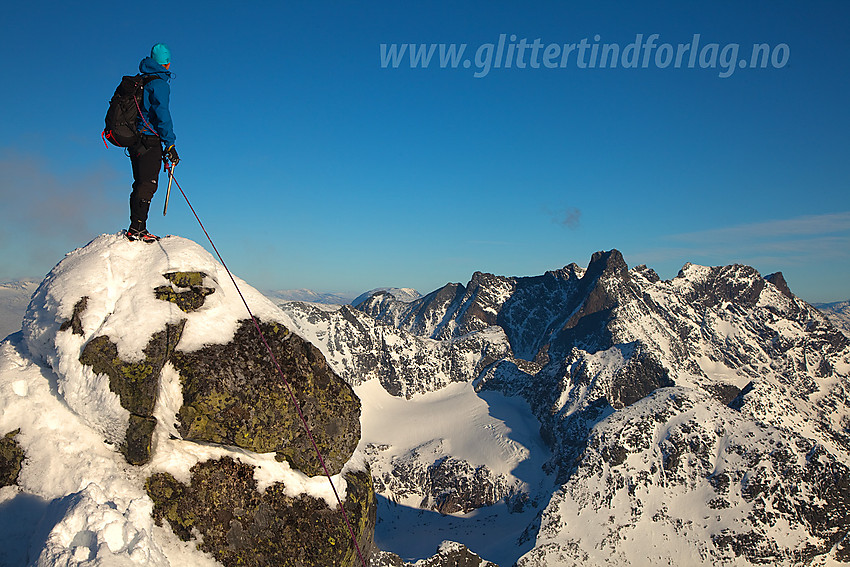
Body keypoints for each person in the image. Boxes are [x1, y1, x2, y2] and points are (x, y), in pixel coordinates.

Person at [127, 43, 180, 242]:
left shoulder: (140, 80)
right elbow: (162, 115)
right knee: (148, 184)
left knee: (140, 183)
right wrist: (170, 144)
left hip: (134, 139)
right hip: (149, 139)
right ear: (166, 63)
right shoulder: (159, 84)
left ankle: (137, 226)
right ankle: (138, 229)